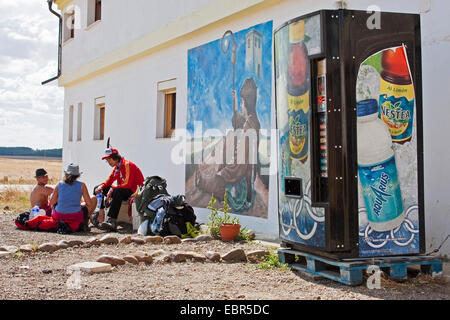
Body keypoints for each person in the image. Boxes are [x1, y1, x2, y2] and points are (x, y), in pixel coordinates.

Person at [196, 77, 261, 205]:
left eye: (242, 103)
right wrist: (235, 103)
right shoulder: (253, 121)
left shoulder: (249, 126)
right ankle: (208, 166)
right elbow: (238, 123)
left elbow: (240, 160)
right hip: (243, 168)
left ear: (246, 103)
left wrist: (224, 173)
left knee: (209, 181)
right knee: (228, 138)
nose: (241, 106)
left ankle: (208, 169)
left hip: (240, 174)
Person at [91, 148, 144, 231]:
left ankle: (112, 220)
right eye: (107, 160)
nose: (108, 162)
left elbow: (128, 184)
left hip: (133, 191)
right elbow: (109, 180)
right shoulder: (117, 168)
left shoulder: (127, 165)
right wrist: (101, 186)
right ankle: (99, 214)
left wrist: (112, 188)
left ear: (115, 158)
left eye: (109, 159)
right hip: (123, 189)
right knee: (97, 188)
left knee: (117, 191)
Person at [48, 163, 96, 232]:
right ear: (78, 175)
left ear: (66, 174)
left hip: (59, 216)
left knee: (52, 197)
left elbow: (51, 202)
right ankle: (85, 222)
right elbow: (89, 203)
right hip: (75, 216)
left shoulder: (59, 184)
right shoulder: (82, 185)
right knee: (93, 198)